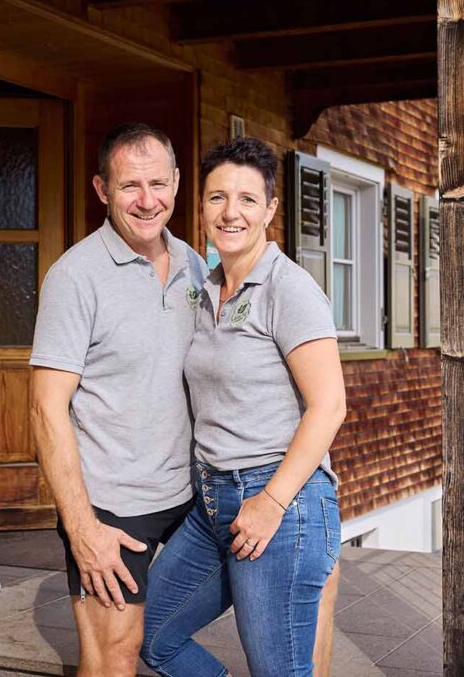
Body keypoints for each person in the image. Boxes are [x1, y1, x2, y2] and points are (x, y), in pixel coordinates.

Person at [141, 137, 346, 677]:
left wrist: (271, 503)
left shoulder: (288, 288)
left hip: (281, 504)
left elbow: (328, 407)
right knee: (150, 634)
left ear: (271, 209)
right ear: (201, 205)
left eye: (247, 199)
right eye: (217, 198)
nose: (230, 212)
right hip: (213, 506)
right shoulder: (206, 288)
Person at [30, 123, 207, 676]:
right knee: (114, 658)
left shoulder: (195, 266)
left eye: (159, 182)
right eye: (130, 186)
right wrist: (81, 527)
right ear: (102, 190)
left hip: (189, 496)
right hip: (111, 505)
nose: (148, 200)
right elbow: (45, 408)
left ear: (178, 182)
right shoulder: (75, 277)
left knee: (180, 639)